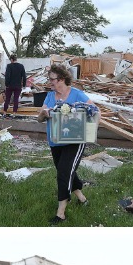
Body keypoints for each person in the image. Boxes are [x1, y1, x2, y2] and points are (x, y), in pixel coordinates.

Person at [38, 64, 97, 224]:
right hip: (56, 140)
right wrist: (44, 113)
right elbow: (40, 118)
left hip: (74, 141)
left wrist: (78, 111)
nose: (50, 82)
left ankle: (61, 213)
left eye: (52, 79)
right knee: (67, 171)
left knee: (63, 173)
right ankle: (82, 199)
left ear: (62, 79)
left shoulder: (77, 94)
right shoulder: (50, 96)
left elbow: (94, 110)